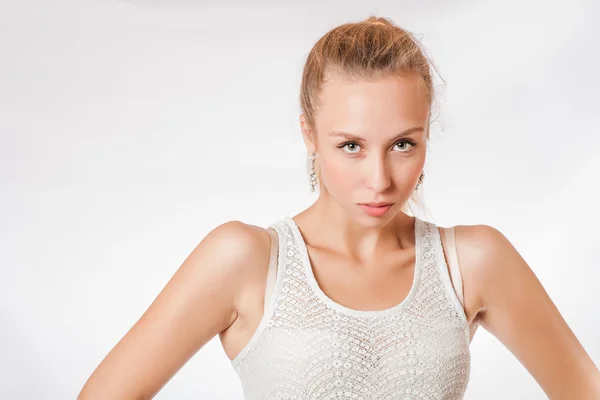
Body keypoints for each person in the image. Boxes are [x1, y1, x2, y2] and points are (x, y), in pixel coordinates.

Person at [78, 15, 600, 400]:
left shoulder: (473, 261)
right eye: (351, 145)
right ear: (309, 133)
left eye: (403, 144)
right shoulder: (246, 260)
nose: (380, 179)